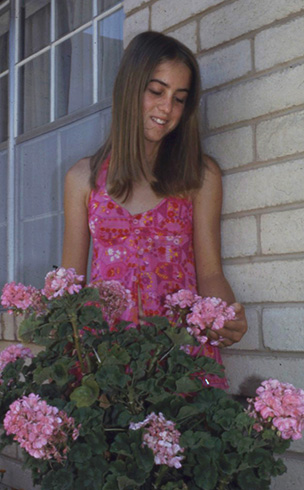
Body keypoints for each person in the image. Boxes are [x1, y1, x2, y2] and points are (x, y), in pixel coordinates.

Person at [61, 31, 247, 388]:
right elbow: (71, 288)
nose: (167, 109)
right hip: (107, 359)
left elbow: (209, 273)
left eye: (179, 98)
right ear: (129, 88)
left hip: (180, 358)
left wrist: (227, 316)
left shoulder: (198, 176)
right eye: (156, 91)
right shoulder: (82, 179)